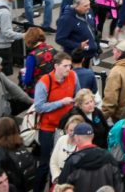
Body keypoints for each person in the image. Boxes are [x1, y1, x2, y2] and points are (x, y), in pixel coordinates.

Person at [33, 53, 78, 191]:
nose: (68, 69)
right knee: (46, 164)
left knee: (63, 162)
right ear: (56, 66)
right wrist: (61, 103)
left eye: (70, 65)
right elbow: (39, 106)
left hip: (67, 128)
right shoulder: (44, 82)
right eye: (65, 66)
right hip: (49, 128)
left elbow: (78, 93)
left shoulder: (73, 76)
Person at [56, 121, 123, 190]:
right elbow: (118, 185)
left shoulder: (73, 161)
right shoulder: (108, 157)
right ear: (92, 136)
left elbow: (62, 187)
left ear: (76, 138)